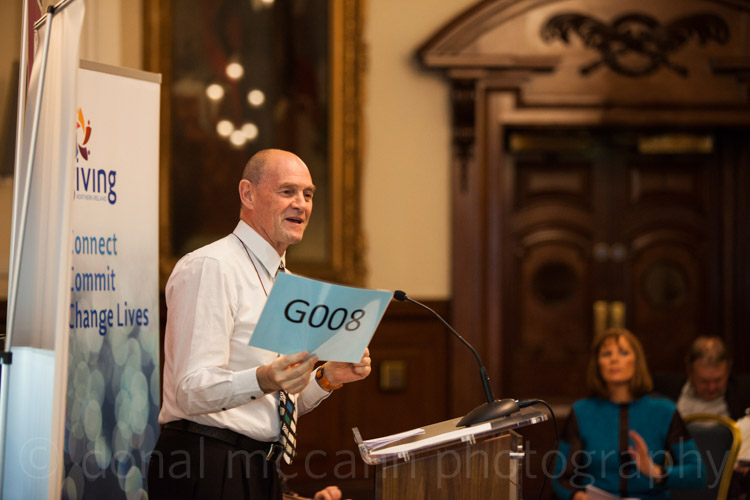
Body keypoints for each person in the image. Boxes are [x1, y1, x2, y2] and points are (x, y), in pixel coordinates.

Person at [147, 149, 372, 500]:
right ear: (248, 194)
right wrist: (264, 378)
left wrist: (327, 378)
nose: (301, 204)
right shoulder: (212, 267)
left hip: (261, 466)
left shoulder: (288, 283)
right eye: (287, 191)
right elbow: (190, 391)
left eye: (308, 194)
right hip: (207, 464)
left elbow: (275, 404)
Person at [551, 328, 705, 500]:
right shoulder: (582, 411)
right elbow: (561, 478)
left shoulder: (664, 410)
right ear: (597, 364)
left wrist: (654, 470)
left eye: (623, 353)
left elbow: (697, 473)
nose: (614, 359)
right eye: (606, 354)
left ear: (637, 361)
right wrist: (580, 497)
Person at [652, 336, 750, 421]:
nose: (712, 388)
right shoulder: (663, 389)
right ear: (689, 371)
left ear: (728, 371)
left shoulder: (744, 392)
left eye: (718, 380)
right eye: (704, 381)